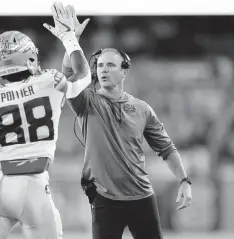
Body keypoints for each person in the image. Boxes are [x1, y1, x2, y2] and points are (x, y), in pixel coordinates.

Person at [0, 3, 91, 239]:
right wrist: (70, 39)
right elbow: (81, 75)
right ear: (31, 59)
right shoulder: (49, 81)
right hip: (33, 185)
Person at [61, 9, 192, 239]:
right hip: (104, 200)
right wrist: (71, 38)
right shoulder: (87, 102)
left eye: (110, 65)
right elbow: (71, 72)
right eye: (99, 66)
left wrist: (184, 180)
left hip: (142, 197)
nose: (103, 70)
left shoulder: (142, 108)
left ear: (124, 72)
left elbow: (167, 148)